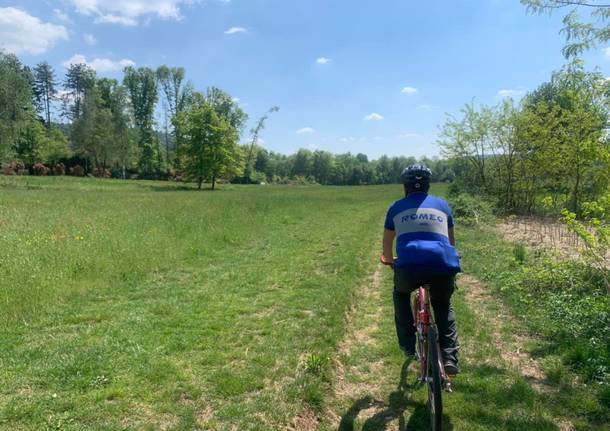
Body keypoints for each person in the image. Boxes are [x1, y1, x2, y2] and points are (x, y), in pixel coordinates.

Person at [382, 164, 461, 374]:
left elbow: (387, 245)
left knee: (400, 295)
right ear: (427, 186)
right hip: (442, 265)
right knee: (443, 304)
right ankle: (450, 356)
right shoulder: (443, 206)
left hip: (409, 267)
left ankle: (408, 345)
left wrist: (389, 260)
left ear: (405, 187)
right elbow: (451, 243)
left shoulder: (396, 208)